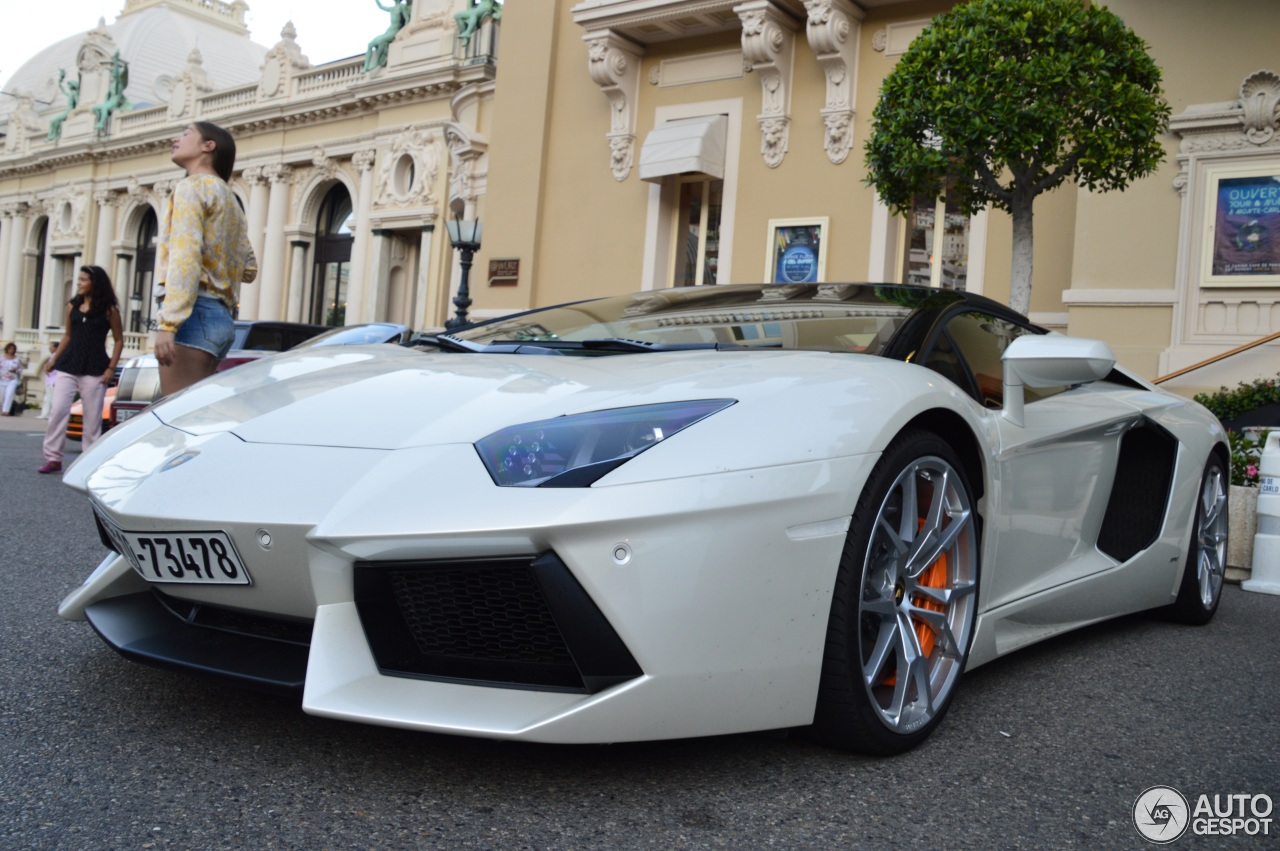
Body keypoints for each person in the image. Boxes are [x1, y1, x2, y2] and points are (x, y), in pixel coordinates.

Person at [154, 122, 256, 398]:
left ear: (208, 146)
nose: (176, 138)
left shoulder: (191, 187)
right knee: (194, 416)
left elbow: (185, 255)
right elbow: (249, 268)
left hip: (192, 314)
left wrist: (168, 323)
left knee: (177, 422)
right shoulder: (231, 201)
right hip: (221, 318)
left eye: (186, 133)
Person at [39, 266, 123, 473]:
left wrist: (111, 368)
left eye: (83, 279)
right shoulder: (72, 307)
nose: (79, 283)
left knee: (92, 418)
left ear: (95, 283)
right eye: (79, 279)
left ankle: (88, 462)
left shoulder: (109, 310)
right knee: (58, 410)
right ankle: (53, 458)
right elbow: (67, 336)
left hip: (95, 368)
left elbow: (119, 340)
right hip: (69, 365)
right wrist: (53, 360)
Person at [36, 340, 59, 418]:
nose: (49, 348)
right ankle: (45, 413)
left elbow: (53, 367)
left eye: (51, 347)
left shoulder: (57, 356)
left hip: (54, 378)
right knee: (47, 397)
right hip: (50, 378)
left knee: (52, 397)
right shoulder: (52, 355)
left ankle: (51, 414)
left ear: (56, 348)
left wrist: (47, 368)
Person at [1, 342, 22, 415]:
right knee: (2, 396)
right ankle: (1, 409)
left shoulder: (17, 359)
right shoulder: (2, 358)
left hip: (12, 379)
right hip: (2, 379)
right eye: (10, 348)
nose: (11, 350)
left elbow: (21, 369)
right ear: (7, 349)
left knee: (9, 394)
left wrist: (15, 371)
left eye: (13, 349)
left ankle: (6, 411)